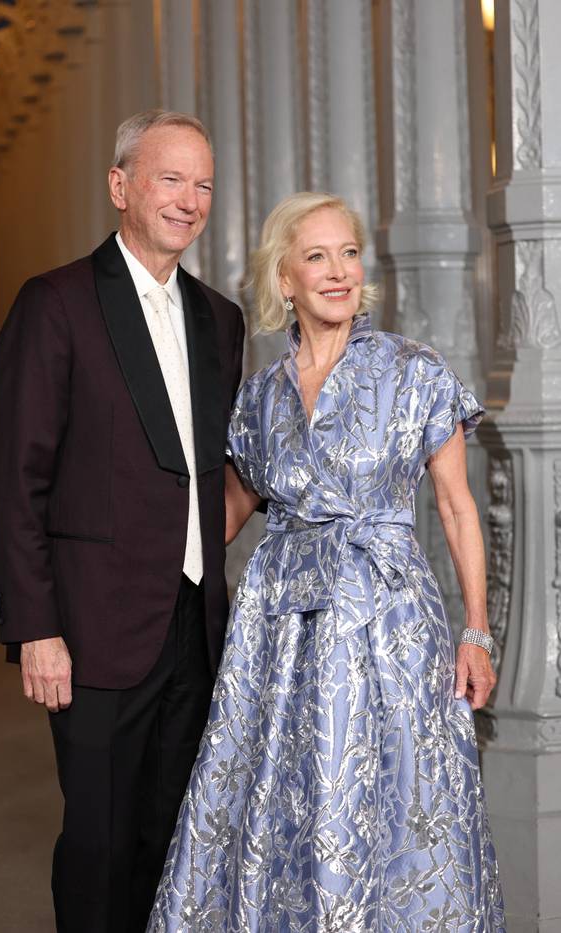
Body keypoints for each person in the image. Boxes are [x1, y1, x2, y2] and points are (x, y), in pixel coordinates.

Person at [147, 191, 506, 931]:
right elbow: (221, 518)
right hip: (279, 638)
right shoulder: (259, 399)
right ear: (286, 278)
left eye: (349, 253)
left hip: (389, 627)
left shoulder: (413, 370)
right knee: (288, 800)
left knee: (400, 798)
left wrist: (476, 629)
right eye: (317, 256)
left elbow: (457, 507)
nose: (339, 271)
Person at [0, 110, 245, 933]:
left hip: (195, 627)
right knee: (98, 847)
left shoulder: (221, 319)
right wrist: (36, 627)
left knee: (172, 843)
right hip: (93, 631)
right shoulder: (55, 304)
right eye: (171, 178)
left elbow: (214, 467)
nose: (189, 200)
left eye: (203, 184)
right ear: (119, 185)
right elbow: (18, 479)